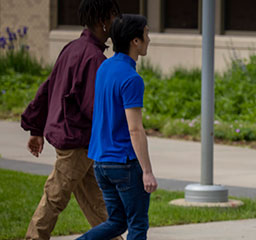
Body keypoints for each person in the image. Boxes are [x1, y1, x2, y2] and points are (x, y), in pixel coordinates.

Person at [20, 0, 118, 239]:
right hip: (76, 142)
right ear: (102, 21)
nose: (117, 22)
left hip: (78, 141)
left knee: (97, 203)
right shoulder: (94, 60)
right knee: (55, 197)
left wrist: (36, 128)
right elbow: (96, 109)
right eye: (114, 16)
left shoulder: (72, 48)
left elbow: (48, 87)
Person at [80, 14, 156, 240]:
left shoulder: (104, 68)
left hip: (101, 163)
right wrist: (148, 172)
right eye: (146, 34)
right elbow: (135, 129)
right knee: (138, 224)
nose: (149, 39)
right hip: (124, 164)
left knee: (116, 222)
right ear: (135, 41)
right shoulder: (132, 79)